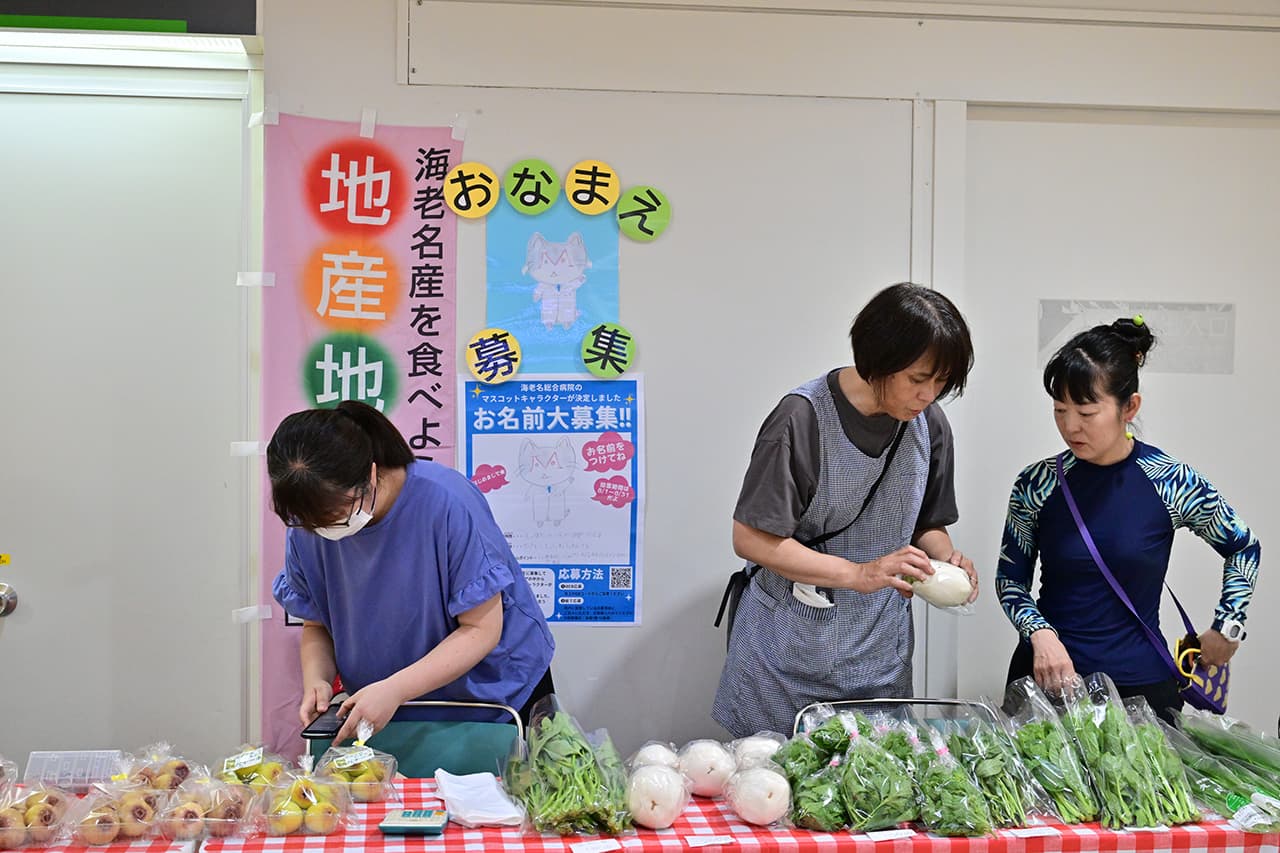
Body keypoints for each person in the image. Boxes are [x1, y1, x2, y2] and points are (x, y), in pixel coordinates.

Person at [713, 282, 978, 738]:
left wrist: (944, 559)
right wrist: (858, 574)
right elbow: (751, 538)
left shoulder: (929, 424)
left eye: (941, 384)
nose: (928, 395)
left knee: (875, 793)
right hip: (786, 654)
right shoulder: (801, 418)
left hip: (878, 656)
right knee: (775, 794)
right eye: (918, 379)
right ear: (878, 358)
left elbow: (927, 522)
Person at [996, 317, 1260, 721]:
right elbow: (1010, 581)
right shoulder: (1037, 483)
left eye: (1086, 411)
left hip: (1141, 690)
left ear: (1129, 406)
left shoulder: (1170, 480)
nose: (1069, 426)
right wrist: (1040, 635)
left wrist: (1228, 626)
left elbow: (1243, 546)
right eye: (1060, 410)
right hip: (1047, 681)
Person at [268, 400, 555, 744]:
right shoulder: (308, 525)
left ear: (371, 474)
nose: (325, 529)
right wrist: (318, 679)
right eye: (312, 522)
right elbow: (317, 626)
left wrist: (395, 689)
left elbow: (481, 629)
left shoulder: (446, 502)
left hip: (490, 699)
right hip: (390, 706)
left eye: (338, 512)